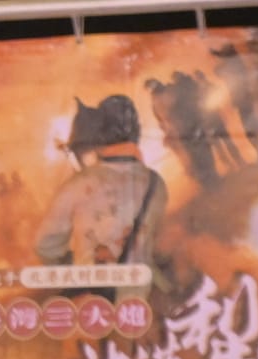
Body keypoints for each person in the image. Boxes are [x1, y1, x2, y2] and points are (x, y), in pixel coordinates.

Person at [35, 94, 169, 304]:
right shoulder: (156, 184)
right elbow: (162, 243)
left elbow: (45, 246)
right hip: (144, 305)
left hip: (92, 306)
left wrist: (73, 265)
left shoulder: (77, 185)